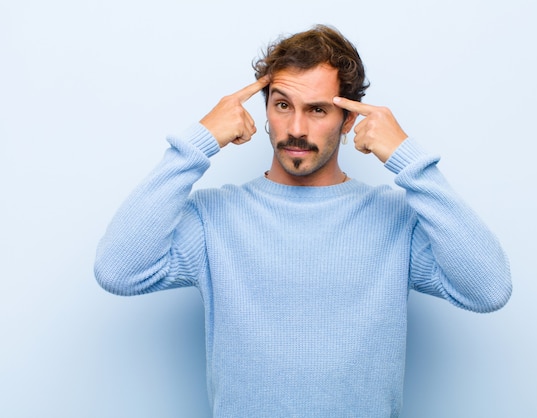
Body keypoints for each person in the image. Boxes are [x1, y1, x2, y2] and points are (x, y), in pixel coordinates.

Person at [95, 24, 512, 417]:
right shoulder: (214, 218)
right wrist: (197, 143)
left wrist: (411, 161)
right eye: (282, 105)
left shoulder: (395, 219)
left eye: (317, 109)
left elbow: (488, 290)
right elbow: (118, 271)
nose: (295, 128)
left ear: (349, 120)